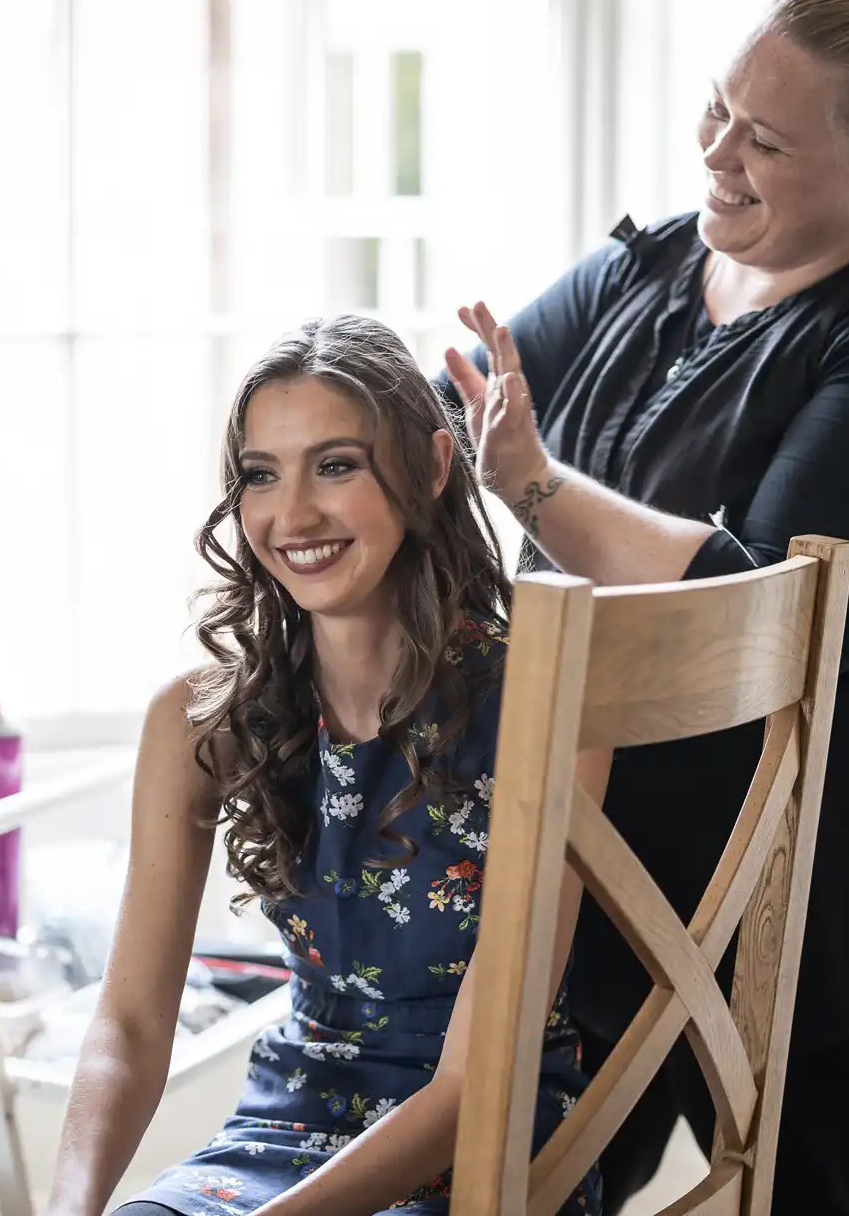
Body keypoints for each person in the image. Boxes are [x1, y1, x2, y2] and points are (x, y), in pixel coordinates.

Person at [437, 0, 849, 1216]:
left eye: (762, 139)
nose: (714, 151)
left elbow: (759, 604)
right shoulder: (651, 267)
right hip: (593, 872)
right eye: (716, 106)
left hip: (809, 918)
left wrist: (535, 487)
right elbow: (470, 406)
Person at [43, 314, 610, 1216]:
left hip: (492, 1154)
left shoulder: (548, 704)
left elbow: (473, 1081)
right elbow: (132, 1023)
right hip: (282, 1134)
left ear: (430, 468)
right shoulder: (201, 717)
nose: (292, 514)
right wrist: (71, 1210)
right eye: (261, 475)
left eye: (336, 465)